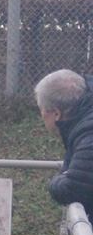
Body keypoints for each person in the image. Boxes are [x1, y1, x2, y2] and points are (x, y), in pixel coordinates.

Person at [36, 69, 93, 212]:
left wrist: (56, 181)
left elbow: (73, 188)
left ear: (56, 113)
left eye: (41, 110)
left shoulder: (89, 132)